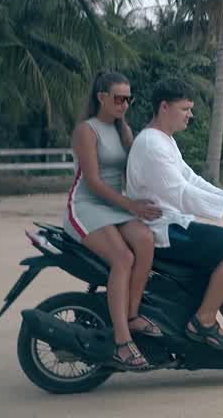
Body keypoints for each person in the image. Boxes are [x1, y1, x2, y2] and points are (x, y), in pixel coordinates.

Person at [125, 78, 223, 350]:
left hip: (172, 224)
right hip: (164, 230)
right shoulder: (152, 143)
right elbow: (180, 193)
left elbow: (191, 179)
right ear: (164, 107)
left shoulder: (164, 140)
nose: (190, 115)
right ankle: (203, 321)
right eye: (185, 108)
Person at [65, 71, 164, 371]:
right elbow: (93, 182)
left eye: (128, 99)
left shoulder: (124, 130)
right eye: (119, 98)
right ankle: (122, 342)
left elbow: (133, 171)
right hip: (86, 205)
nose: (124, 104)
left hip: (116, 206)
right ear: (101, 97)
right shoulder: (87, 130)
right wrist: (132, 206)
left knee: (147, 240)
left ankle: (131, 316)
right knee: (122, 258)